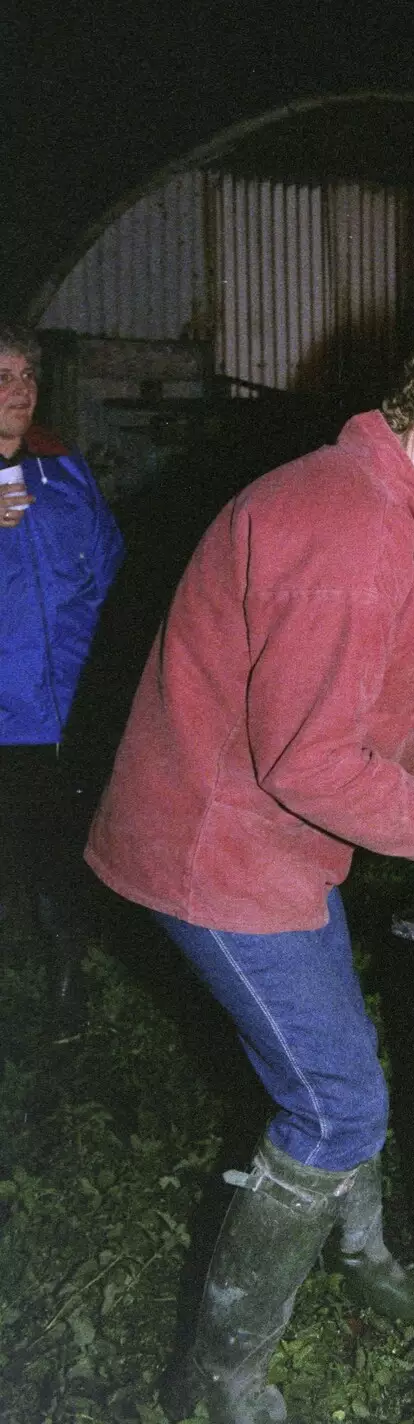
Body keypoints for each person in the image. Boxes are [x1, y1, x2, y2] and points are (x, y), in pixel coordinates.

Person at [84, 310, 414, 1424]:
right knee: (340, 1108)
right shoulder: (351, 533)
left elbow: (376, 717)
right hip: (215, 856)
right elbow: (313, 763)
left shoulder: (364, 505)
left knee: (335, 1069)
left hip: (254, 841)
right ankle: (216, 1380)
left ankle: (358, 1258)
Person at [0, 323, 124, 1014]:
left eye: (28, 376)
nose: (20, 390)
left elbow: (109, 569)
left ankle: (68, 977)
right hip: (3, 712)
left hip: (70, 707)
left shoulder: (62, 469)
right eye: (3, 376)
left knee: (65, 853)